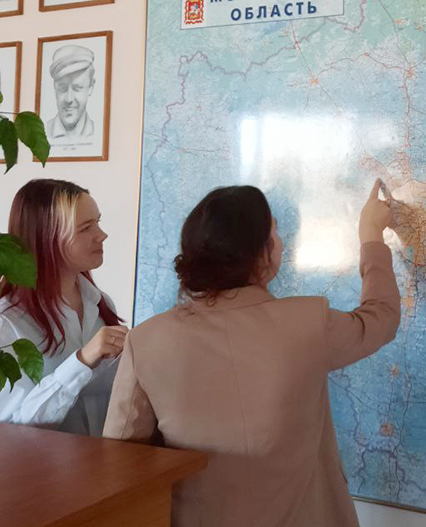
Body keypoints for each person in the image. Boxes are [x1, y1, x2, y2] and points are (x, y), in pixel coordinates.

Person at [104, 180, 401, 527]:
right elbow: (381, 318)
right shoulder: (308, 323)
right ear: (261, 253)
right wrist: (370, 236)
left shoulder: (145, 341)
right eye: (275, 232)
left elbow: (120, 459)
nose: (282, 242)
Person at [0, 179, 127, 435]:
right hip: (39, 462)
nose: (102, 235)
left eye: (98, 222)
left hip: (104, 457)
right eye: (86, 228)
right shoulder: (7, 322)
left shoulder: (101, 304)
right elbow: (13, 428)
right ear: (46, 237)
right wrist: (81, 361)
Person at [45, 45, 96, 145]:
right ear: (54, 86)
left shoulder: (98, 134)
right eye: (63, 88)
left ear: (91, 87)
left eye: (77, 88)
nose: (69, 99)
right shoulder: (44, 132)